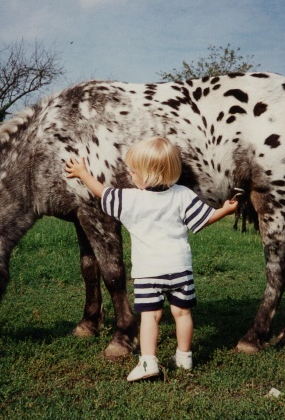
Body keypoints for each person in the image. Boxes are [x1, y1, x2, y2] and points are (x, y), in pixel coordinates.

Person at [64, 136, 238, 382]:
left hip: (149, 272)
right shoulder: (182, 195)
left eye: (133, 171)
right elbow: (204, 220)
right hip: (180, 269)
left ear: (148, 175)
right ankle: (184, 357)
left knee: (150, 316)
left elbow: (102, 193)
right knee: (182, 314)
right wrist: (225, 210)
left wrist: (83, 173)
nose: (130, 175)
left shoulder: (132, 199)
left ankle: (148, 362)